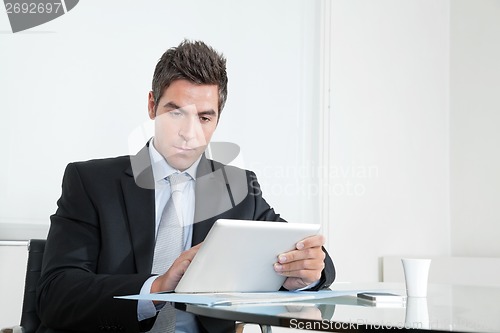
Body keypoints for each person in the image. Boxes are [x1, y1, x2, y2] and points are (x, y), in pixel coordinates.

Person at [36, 40, 335, 333]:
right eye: (176, 112)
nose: (189, 133)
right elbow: (56, 294)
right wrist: (158, 286)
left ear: (217, 119)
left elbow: (312, 258)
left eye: (204, 117)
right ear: (152, 105)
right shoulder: (90, 182)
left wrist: (304, 274)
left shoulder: (238, 188)